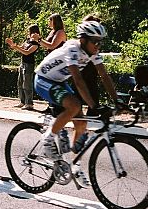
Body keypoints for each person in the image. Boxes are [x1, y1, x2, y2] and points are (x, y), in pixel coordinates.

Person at [34, 20, 122, 187]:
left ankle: (75, 165)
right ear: (83, 39)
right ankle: (48, 139)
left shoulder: (92, 52)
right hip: (43, 79)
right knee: (75, 106)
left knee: (82, 125)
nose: (98, 45)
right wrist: (94, 106)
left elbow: (104, 75)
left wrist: (118, 101)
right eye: (94, 41)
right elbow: (79, 81)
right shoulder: (72, 48)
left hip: (59, 82)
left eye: (100, 42)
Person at [5, 24, 40, 110]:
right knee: (20, 83)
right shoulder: (28, 40)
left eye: (29, 31)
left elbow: (27, 52)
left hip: (29, 65)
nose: (28, 33)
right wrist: (13, 45)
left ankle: (29, 104)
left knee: (27, 84)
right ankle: (22, 101)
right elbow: (21, 48)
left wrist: (16, 47)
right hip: (23, 63)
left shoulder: (36, 43)